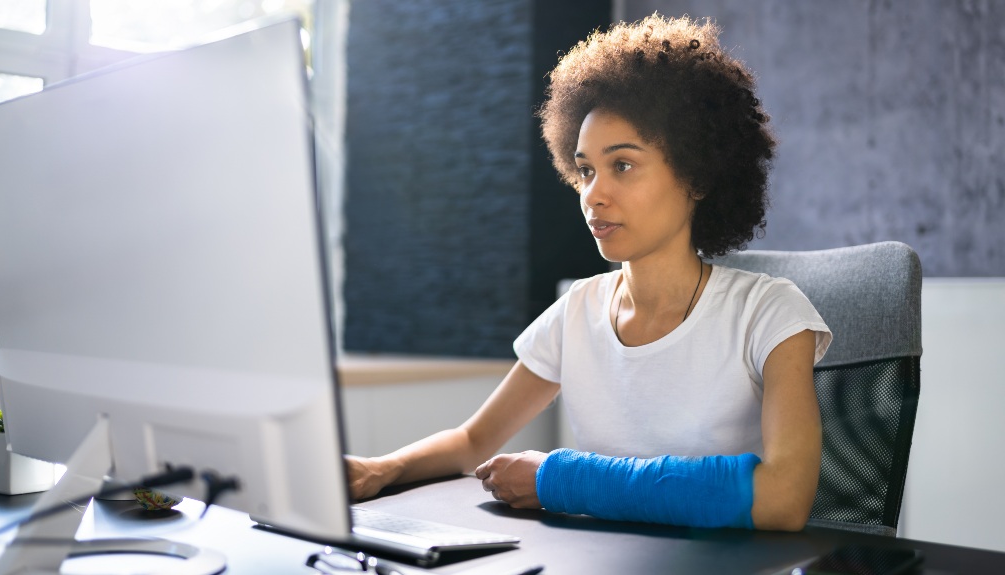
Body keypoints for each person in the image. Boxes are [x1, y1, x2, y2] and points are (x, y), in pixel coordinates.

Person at [346, 14, 832, 531]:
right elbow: (472, 441)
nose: (593, 194)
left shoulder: (771, 314)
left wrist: (562, 479)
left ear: (697, 176)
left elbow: (784, 499)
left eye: (622, 165)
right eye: (585, 170)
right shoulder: (578, 311)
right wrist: (378, 469)